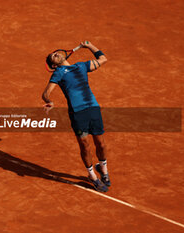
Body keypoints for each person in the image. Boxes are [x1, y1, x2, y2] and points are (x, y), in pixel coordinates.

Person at [42, 41, 111, 192]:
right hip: (78, 113)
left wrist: (90, 46)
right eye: (52, 57)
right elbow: (46, 93)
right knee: (85, 146)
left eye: (55, 52)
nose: (55, 54)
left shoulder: (81, 66)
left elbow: (103, 59)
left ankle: (104, 171)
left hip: (93, 108)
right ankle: (92, 176)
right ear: (54, 65)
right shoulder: (58, 73)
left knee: (101, 143)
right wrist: (49, 101)